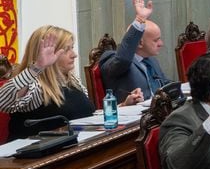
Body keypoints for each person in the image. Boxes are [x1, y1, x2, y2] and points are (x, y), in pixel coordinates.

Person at [0, 26, 140, 140]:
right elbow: (3, 101)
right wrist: (37, 67)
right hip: (38, 163)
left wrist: (123, 106)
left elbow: (86, 117)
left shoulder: (71, 81)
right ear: (46, 53)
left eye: (72, 48)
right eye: (67, 49)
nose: (74, 54)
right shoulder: (35, 86)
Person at [100, 0, 168, 101]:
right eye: (156, 40)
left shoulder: (151, 61)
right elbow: (123, 59)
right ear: (140, 42)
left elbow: (165, 84)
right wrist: (140, 20)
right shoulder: (112, 59)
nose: (161, 44)